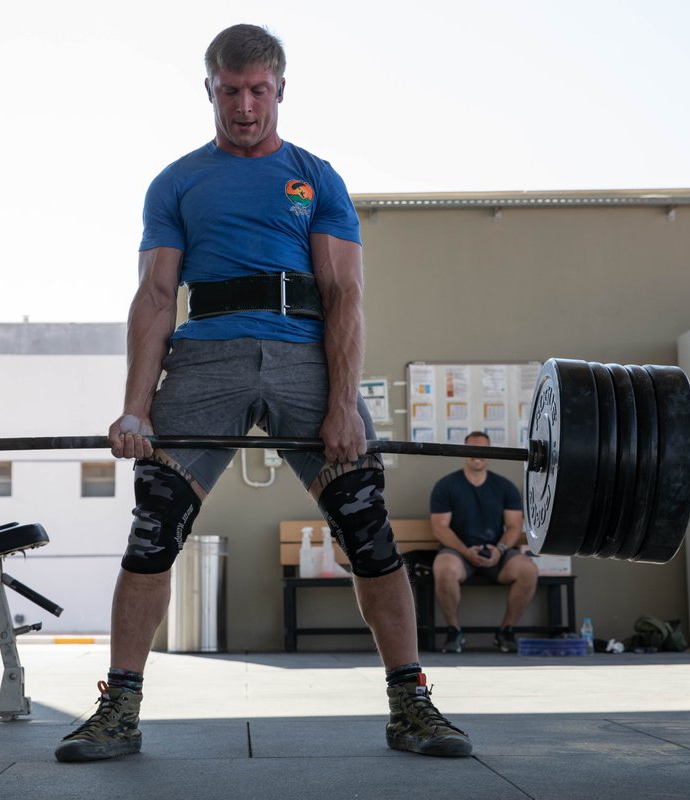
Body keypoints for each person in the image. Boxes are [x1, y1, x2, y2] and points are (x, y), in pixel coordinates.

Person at [54, 24, 471, 763]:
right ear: (209, 88)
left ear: (280, 89)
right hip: (206, 357)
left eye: (257, 91)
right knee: (154, 531)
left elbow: (344, 294)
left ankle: (412, 703)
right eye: (229, 91)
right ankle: (118, 706)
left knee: (368, 529)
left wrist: (344, 403)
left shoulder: (318, 176)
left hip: (303, 357)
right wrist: (135, 407)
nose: (244, 106)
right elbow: (154, 296)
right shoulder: (177, 181)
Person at [429, 431, 538, 653]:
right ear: (463, 452)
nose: (478, 455)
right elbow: (440, 527)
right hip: (459, 553)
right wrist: (466, 551)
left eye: (483, 450)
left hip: (497, 553)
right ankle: (454, 632)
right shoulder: (446, 486)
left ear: (490, 454)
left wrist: (499, 550)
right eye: (472, 450)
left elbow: (515, 526)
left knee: (528, 570)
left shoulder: (505, 487)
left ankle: (506, 631)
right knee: (444, 568)